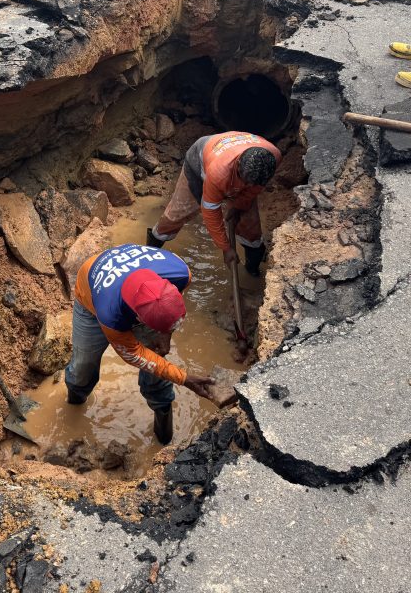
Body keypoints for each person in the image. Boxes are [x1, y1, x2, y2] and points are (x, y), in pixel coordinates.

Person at [66, 243, 214, 444]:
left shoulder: (180, 273)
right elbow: (135, 355)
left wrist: (165, 334)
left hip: (136, 288)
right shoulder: (110, 314)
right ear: (139, 319)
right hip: (90, 298)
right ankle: (73, 411)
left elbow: (172, 313)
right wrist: (184, 378)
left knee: (157, 375)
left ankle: (163, 436)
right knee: (82, 368)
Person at [147, 132, 281, 277]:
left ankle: (253, 268)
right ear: (238, 165)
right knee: (179, 212)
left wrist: (238, 206)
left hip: (230, 159)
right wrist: (226, 248)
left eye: (252, 183)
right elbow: (211, 212)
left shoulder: (274, 156)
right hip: (198, 162)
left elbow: (254, 189)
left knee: (249, 223)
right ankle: (150, 254)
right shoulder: (219, 173)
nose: (247, 186)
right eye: (245, 181)